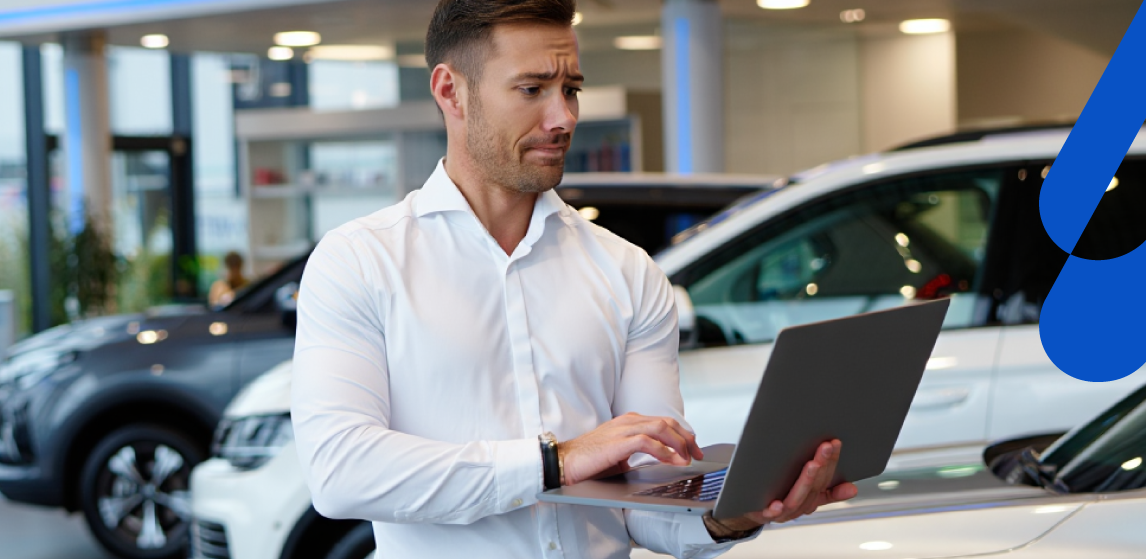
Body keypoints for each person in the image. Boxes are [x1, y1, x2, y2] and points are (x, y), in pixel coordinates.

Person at [291, 0, 857, 556]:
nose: (563, 117)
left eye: (571, 89)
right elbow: (341, 472)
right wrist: (556, 462)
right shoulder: (360, 262)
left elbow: (644, 504)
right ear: (450, 91)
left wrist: (730, 515)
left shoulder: (628, 272)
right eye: (532, 89)